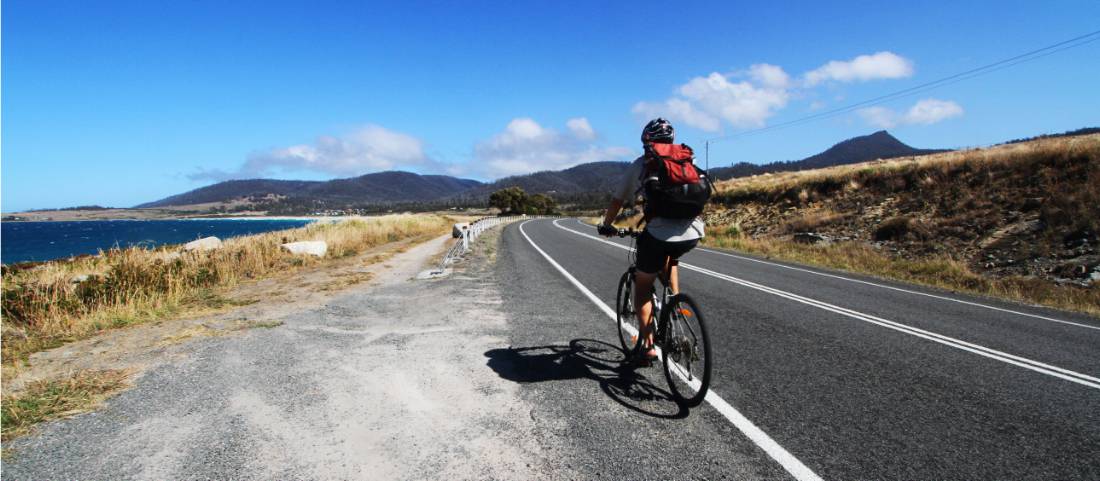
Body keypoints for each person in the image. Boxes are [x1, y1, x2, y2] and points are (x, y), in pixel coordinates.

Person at [598, 118, 706, 365]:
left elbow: (617, 201)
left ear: (646, 140)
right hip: (693, 232)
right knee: (671, 257)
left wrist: (607, 226)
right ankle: (676, 303)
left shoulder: (641, 165)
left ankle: (647, 347)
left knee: (643, 286)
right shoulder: (688, 160)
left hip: (658, 233)